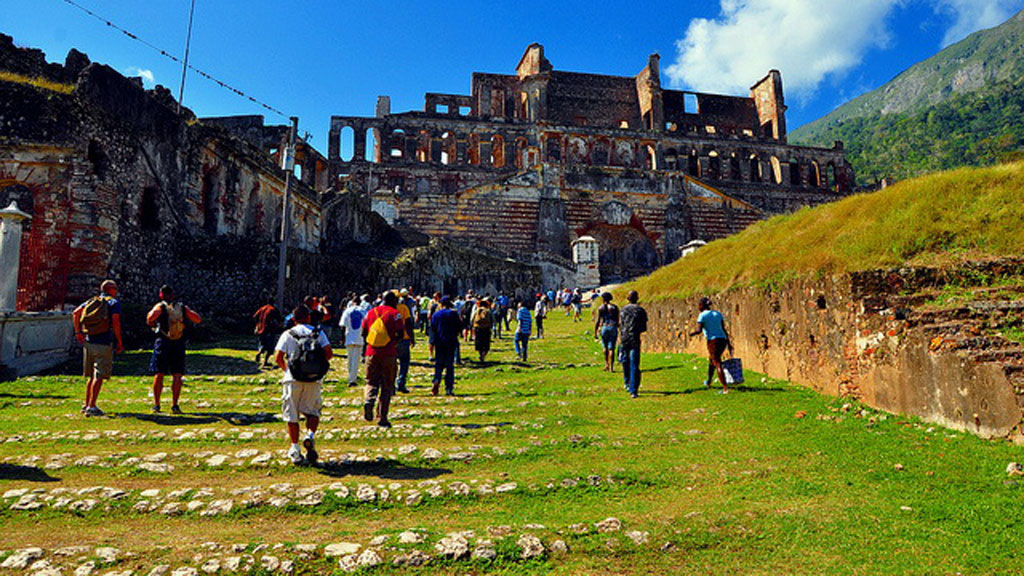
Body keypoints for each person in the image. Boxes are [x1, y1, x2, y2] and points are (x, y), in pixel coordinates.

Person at [275, 304, 332, 465]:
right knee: (313, 411)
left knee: (291, 414)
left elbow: (278, 357)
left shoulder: (288, 334)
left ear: (293, 319)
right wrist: (316, 366)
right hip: (314, 379)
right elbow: (329, 353)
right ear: (308, 317)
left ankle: (295, 449)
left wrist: (288, 370)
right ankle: (310, 435)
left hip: (292, 379)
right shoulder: (318, 333)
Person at [146, 285, 202, 414]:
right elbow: (197, 319)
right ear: (173, 294)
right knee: (177, 375)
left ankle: (156, 404)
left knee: (159, 373)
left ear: (161, 294)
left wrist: (152, 323)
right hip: (178, 342)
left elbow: (150, 318)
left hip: (163, 342)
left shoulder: (160, 306)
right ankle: (175, 404)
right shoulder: (181, 307)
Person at [72, 279, 123, 417]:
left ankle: (87, 403)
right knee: (99, 375)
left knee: (90, 375)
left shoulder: (91, 301)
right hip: (104, 341)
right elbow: (116, 321)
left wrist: (78, 332)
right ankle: (92, 406)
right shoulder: (113, 303)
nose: (116, 291)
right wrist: (119, 341)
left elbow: (76, 313)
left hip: (89, 341)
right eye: (115, 288)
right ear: (111, 289)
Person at [361, 291, 404, 427]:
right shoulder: (395, 314)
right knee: (387, 385)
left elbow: (363, 332)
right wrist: (393, 342)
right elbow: (401, 334)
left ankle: (369, 400)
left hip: (371, 352)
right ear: (393, 301)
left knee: (371, 381)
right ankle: (382, 417)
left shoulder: (371, 312)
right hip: (389, 353)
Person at [689, 296, 735, 394]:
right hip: (722, 339)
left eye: (699, 305)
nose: (698, 307)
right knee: (712, 360)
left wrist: (691, 333)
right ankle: (709, 381)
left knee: (717, 362)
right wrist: (729, 343)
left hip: (713, 341)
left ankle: (725, 388)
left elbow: (699, 330)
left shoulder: (702, 315)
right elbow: (723, 329)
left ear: (702, 305)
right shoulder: (718, 314)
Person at [619, 290, 648, 398]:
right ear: (637, 298)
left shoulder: (623, 310)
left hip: (624, 338)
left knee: (625, 362)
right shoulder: (640, 310)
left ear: (627, 298)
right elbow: (643, 328)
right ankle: (633, 389)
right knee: (634, 364)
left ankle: (627, 383)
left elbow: (620, 324)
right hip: (635, 338)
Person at [430, 296, 462, 395]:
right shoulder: (453, 314)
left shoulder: (436, 314)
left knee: (438, 365)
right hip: (450, 341)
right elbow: (459, 327)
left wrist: (432, 342)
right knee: (449, 365)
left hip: (439, 342)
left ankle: (436, 380)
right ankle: (449, 388)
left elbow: (432, 329)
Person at [339, 296, 365, 387]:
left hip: (349, 336)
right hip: (359, 337)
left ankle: (350, 377)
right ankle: (352, 379)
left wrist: (342, 338)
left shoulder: (347, 311)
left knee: (349, 359)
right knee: (356, 360)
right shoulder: (363, 311)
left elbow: (342, 325)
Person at [394, 289, 416, 393]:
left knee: (391, 363)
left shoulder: (384, 309)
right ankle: (401, 383)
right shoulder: (403, 308)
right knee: (404, 362)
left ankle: (390, 384)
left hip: (390, 340)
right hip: (404, 338)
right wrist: (412, 337)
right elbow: (408, 324)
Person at [593, 292, 620, 372]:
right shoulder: (615, 307)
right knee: (611, 348)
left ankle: (606, 364)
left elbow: (598, 320)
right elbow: (618, 319)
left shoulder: (601, 308)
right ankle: (611, 367)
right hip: (613, 326)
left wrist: (595, 331)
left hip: (604, 326)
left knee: (605, 347)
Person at [253, 298, 283, 367]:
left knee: (262, 343)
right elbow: (279, 319)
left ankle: (259, 352)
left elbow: (255, 316)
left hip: (261, 329)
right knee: (270, 346)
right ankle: (265, 361)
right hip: (270, 329)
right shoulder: (273, 309)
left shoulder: (262, 308)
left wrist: (257, 325)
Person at [472, 298, 494, 362]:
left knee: (479, 342)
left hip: (478, 328)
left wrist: (473, 326)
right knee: (486, 343)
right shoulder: (488, 311)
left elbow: (472, 319)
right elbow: (492, 319)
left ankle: (480, 353)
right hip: (486, 328)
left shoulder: (477, 311)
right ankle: (483, 355)